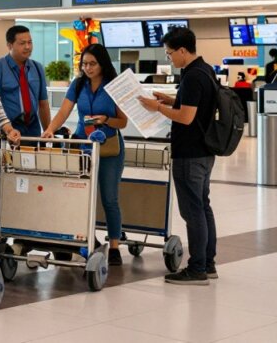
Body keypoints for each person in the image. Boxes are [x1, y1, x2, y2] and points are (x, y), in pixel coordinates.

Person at [138, 27, 218, 285]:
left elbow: (186, 117)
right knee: (203, 207)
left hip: (190, 154)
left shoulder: (193, 76)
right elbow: (191, 106)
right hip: (204, 152)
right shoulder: (205, 71)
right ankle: (207, 264)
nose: (168, 58)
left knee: (193, 211)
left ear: (183, 50)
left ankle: (196, 270)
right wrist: (171, 99)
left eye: (170, 53)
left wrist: (157, 107)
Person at [42, 43, 128, 266]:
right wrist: (50, 129)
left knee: (109, 197)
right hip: (83, 146)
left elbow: (123, 122)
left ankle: (115, 246)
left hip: (109, 147)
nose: (88, 68)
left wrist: (105, 120)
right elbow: (64, 111)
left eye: (93, 64)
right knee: (79, 195)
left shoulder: (114, 86)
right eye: (85, 64)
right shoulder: (78, 84)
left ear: (103, 64)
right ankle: (82, 238)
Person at [0, 25, 50, 139]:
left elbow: (43, 104)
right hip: (8, 130)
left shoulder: (37, 68)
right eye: (22, 43)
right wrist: (1, 129)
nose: (27, 47)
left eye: (30, 42)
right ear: (9, 45)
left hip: (33, 128)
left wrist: (48, 132)